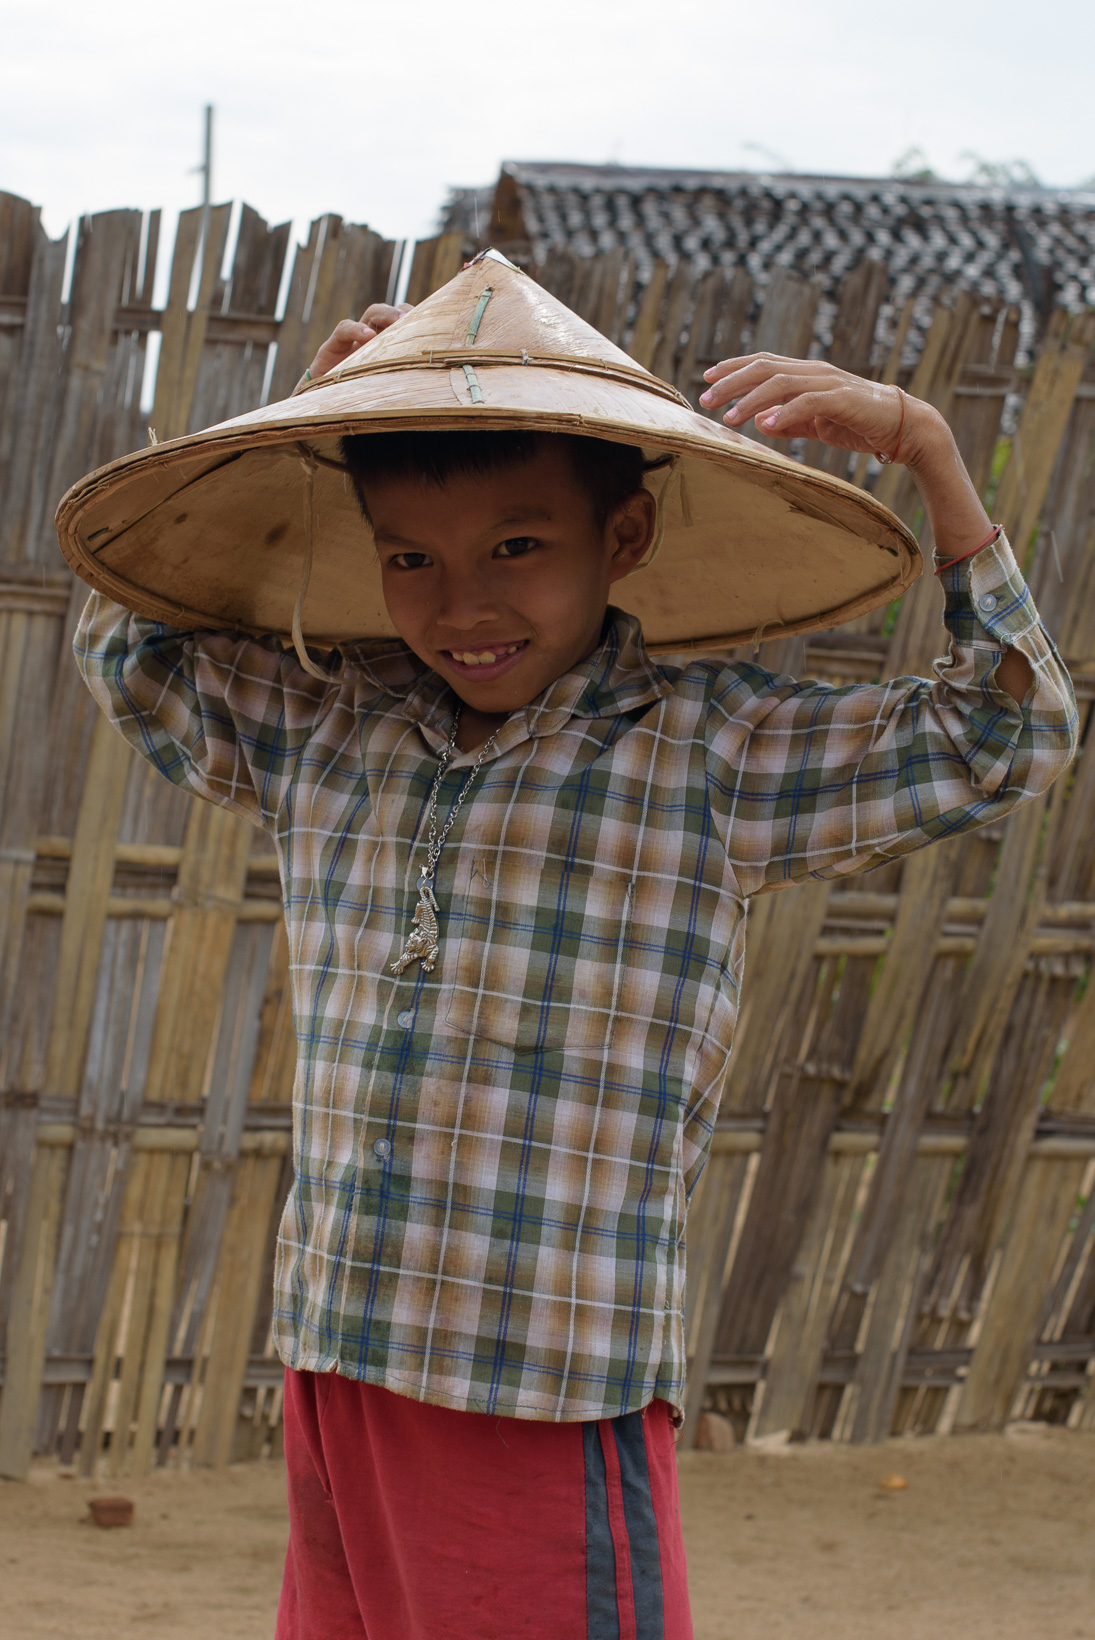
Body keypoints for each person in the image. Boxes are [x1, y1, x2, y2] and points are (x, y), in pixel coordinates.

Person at [72, 275, 1075, 1640]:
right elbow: (130, 640)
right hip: (341, 1349)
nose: (462, 604)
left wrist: (930, 453)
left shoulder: (711, 749)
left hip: (547, 1376)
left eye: (518, 545)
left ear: (627, 534)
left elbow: (1009, 736)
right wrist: (298, 418)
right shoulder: (334, 729)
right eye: (410, 559)